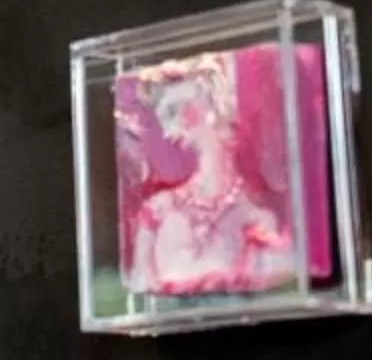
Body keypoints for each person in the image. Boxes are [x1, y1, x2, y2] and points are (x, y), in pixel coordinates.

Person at [119, 58, 295, 295]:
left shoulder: (256, 218)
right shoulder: (157, 211)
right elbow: (139, 288)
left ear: (211, 109)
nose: (172, 128)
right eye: (169, 115)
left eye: (178, 110)